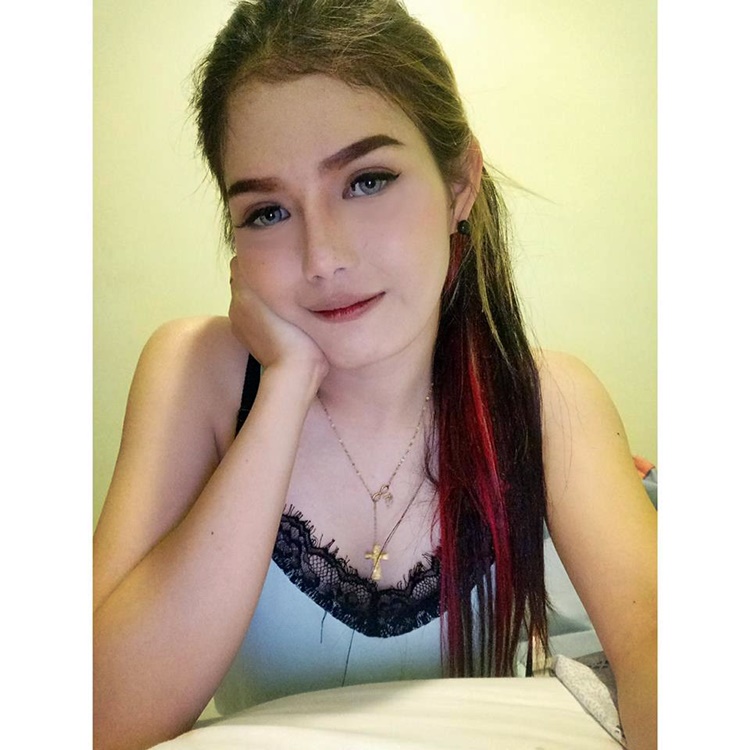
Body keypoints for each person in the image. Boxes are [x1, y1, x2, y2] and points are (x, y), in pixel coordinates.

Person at [93, 1, 657, 749]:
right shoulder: (197, 373)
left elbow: (661, 646)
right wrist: (285, 385)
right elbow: (97, 717)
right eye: (267, 212)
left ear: (459, 184)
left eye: (367, 180)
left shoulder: (544, 401)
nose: (322, 258)